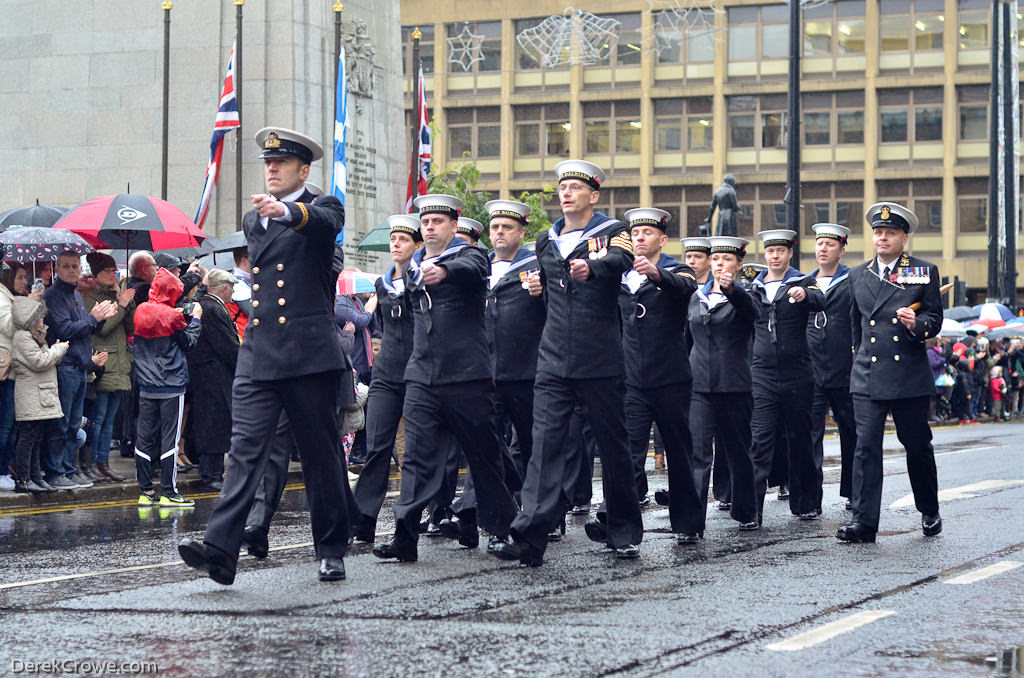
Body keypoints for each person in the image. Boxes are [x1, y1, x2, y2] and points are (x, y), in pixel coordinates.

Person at [179, 126, 351, 584]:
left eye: (280, 164)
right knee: (246, 449)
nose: (271, 169)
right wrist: (275, 214)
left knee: (320, 455)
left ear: (303, 170)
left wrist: (291, 212)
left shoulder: (323, 206)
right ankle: (221, 549)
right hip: (260, 352)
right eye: (267, 164)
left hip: (308, 353)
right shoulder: (255, 221)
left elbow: (325, 226)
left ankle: (331, 547)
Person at [492, 160, 643, 566]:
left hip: (600, 360)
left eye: (575, 186)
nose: (566, 192)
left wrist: (591, 268)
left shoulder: (613, 233)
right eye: (562, 186)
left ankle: (623, 529)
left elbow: (621, 261)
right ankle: (530, 537)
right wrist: (539, 287)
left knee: (613, 448)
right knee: (544, 449)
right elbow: (549, 285)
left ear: (593, 195)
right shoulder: (545, 239)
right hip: (553, 359)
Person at [371, 194, 519, 563]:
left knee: (483, 456)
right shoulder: (412, 264)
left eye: (438, 222)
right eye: (426, 222)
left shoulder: (469, 257)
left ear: (454, 226)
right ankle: (405, 535)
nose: (431, 227)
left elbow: (470, 268)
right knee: (417, 458)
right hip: (422, 376)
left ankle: (502, 530)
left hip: (466, 377)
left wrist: (444, 272)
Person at [838, 202, 943, 543]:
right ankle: (864, 523)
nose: (882, 237)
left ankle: (928, 507)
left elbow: (934, 319)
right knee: (865, 448)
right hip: (868, 373)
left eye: (890, 232)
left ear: (904, 238)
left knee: (916, 445)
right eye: (878, 232)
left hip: (907, 374)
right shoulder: (858, 274)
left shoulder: (922, 272)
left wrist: (918, 324)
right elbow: (856, 327)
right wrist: (858, 361)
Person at [617, 207, 704, 544]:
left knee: (678, 453)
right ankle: (620, 526)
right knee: (626, 454)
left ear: (662, 239)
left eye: (647, 233)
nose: (640, 238)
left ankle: (687, 522)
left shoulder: (677, 271)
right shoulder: (621, 275)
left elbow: (686, 287)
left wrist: (655, 274)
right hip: (631, 379)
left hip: (670, 379)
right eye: (635, 233)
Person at [351, 215, 424, 542]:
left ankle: (409, 520)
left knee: (412, 452)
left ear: (418, 246)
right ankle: (362, 519)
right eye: (393, 239)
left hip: (417, 373)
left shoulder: (423, 280)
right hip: (386, 376)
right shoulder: (382, 284)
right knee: (378, 449)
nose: (396, 244)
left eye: (404, 240)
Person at [748, 229, 824, 522]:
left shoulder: (803, 280)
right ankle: (751, 510)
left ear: (790, 253)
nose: (775, 256)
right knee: (760, 439)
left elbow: (822, 299)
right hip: (762, 373)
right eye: (770, 252)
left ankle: (805, 502)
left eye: (780, 251)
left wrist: (805, 294)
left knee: (800, 438)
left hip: (797, 374)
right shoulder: (753, 286)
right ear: (765, 254)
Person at [687, 236, 760, 530]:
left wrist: (733, 290)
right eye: (716, 259)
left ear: (739, 265)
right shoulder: (695, 297)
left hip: (734, 386)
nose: (720, 265)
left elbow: (752, 313)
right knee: (698, 453)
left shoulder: (747, 295)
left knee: (738, 451)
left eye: (727, 260)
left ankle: (745, 512)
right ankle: (691, 522)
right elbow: (685, 338)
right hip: (699, 386)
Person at [43, 251, 118, 490]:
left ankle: (67, 468)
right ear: (57, 269)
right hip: (65, 366)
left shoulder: (74, 293)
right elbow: (65, 329)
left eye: (75, 266)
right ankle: (56, 471)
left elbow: (87, 328)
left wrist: (101, 317)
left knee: (74, 424)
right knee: (62, 423)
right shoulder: (53, 295)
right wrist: (93, 318)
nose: (72, 270)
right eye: (66, 266)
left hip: (79, 366)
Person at [132, 268, 202, 506]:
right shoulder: (174, 316)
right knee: (169, 440)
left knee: (144, 438)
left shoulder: (141, 310)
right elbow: (188, 343)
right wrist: (196, 319)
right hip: (171, 384)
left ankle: (146, 491)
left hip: (146, 383)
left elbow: (157, 321)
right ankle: (170, 493)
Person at [806, 224, 858, 512]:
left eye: (829, 244)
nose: (823, 249)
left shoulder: (853, 280)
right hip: (811, 370)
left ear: (842, 249)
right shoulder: (804, 282)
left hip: (845, 369)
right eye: (819, 244)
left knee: (851, 431)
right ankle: (812, 500)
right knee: (810, 435)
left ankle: (853, 491)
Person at [80, 252, 135, 483]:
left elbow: (131, 326)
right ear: (96, 273)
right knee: (99, 418)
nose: (113, 275)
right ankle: (94, 463)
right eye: (108, 271)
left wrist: (126, 303)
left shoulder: (114, 294)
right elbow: (101, 328)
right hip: (103, 361)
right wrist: (120, 305)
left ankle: (104, 463)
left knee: (110, 419)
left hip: (120, 362)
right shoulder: (87, 296)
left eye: (114, 271)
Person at [187, 269, 240, 491]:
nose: (233, 292)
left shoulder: (211, 306)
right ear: (223, 287)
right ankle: (211, 473)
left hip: (213, 374)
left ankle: (214, 471)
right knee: (213, 422)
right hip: (212, 375)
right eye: (232, 288)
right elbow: (227, 344)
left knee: (216, 421)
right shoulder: (212, 308)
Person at [10, 296, 68, 493]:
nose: (43, 319)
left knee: (36, 438)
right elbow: (40, 362)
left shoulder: (35, 336)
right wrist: (58, 349)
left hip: (39, 395)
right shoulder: (22, 337)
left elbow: (46, 360)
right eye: (39, 316)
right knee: (27, 438)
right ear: (30, 318)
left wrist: (54, 351)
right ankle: (23, 479)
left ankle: (35, 477)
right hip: (31, 395)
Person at [0, 263, 37, 492]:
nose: (25, 282)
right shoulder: (2, 296)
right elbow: (7, 326)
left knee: (12, 426)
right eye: (21, 277)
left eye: (26, 277)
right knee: (5, 426)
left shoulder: (11, 296)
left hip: (16, 369)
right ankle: (2, 470)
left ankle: (5, 470)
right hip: (6, 369)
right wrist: (28, 304)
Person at [226, 245, 253, 340]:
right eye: (253, 257)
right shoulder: (237, 283)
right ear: (244, 261)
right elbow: (253, 312)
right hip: (244, 338)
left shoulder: (245, 279)